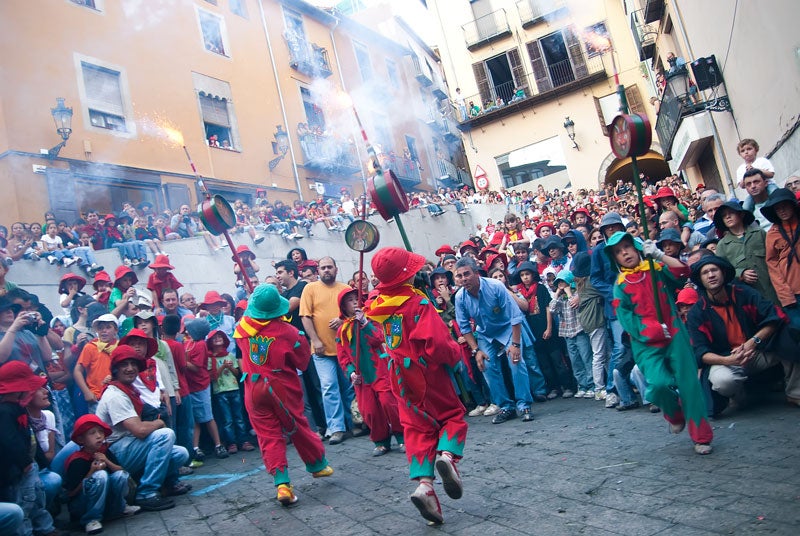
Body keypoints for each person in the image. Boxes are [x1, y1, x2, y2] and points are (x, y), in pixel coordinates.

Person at [368, 247, 467, 525]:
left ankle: (425, 487)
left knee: (417, 429)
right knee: (451, 416)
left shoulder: (378, 305)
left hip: (397, 376)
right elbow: (437, 344)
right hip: (426, 372)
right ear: (408, 275)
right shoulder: (417, 303)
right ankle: (447, 457)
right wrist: (454, 355)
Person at [605, 231, 713, 455]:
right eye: (618, 251)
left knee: (689, 385)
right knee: (658, 384)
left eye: (627, 247)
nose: (624, 252)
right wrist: (652, 329)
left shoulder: (656, 269)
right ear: (614, 258)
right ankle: (673, 413)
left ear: (636, 248)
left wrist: (659, 255)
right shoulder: (620, 286)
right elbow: (627, 320)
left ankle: (701, 436)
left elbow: (684, 273)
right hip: (646, 344)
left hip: (674, 333)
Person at [233, 284, 333, 506]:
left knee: (268, 435)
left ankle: (282, 484)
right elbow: (302, 362)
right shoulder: (290, 333)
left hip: (252, 388)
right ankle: (317, 465)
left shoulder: (241, 328)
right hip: (281, 387)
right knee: (297, 426)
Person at [687, 256, 800, 409]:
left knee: (790, 339)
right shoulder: (697, 313)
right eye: (705, 273)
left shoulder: (744, 293)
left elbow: (775, 317)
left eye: (714, 270)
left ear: (723, 273)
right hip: (727, 358)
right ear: (700, 280)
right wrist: (729, 360)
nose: (711, 275)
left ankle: (795, 393)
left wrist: (753, 342)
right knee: (723, 381)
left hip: (758, 351)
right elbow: (700, 352)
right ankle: (741, 395)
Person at [96, 345, 190, 511]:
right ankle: (146, 493)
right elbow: (140, 431)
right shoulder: (114, 394)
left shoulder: (128, 390)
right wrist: (159, 423)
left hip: (128, 446)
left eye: (133, 364)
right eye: (124, 365)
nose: (130, 368)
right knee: (165, 434)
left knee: (180, 453)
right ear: (115, 369)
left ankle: (165, 485)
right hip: (114, 452)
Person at [455, 256, 534, 422]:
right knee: (487, 367)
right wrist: (476, 350)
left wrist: (515, 344)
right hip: (485, 334)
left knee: (516, 362)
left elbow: (515, 316)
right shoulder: (460, 297)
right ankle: (505, 407)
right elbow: (464, 328)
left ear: (476, 273)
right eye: (460, 276)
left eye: (467, 274)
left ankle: (524, 404)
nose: (463, 279)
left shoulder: (495, 286)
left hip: (507, 328)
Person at [336, 287, 403, 456]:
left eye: (356, 299)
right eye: (350, 300)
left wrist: (364, 323)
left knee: (389, 403)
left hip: (379, 370)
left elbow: (379, 338)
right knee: (369, 411)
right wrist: (351, 372)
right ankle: (381, 441)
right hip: (361, 377)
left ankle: (402, 436)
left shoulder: (371, 319)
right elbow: (342, 356)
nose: (355, 302)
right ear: (343, 306)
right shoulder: (342, 330)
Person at [0, 362, 60, 536]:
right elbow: (9, 441)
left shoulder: (18, 408)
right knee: (24, 503)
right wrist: (25, 462)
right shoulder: (4, 412)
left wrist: (37, 463)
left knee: (37, 500)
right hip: (16, 470)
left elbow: (29, 438)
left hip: (29, 467)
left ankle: (45, 528)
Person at [299, 256, 354, 445]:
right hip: (321, 350)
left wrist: (343, 320)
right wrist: (315, 340)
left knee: (349, 388)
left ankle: (355, 422)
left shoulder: (345, 289)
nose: (326, 270)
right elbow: (305, 317)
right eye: (323, 268)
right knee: (329, 387)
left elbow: (355, 314)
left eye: (330, 267)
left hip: (345, 348)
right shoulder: (310, 289)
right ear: (318, 271)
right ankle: (337, 428)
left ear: (336, 269)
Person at [62, 414, 140, 535]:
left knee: (120, 475)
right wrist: (91, 472)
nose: (99, 436)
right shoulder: (77, 460)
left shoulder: (104, 451)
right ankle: (91, 519)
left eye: (100, 432)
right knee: (101, 476)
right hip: (82, 505)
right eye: (92, 433)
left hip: (105, 501)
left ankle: (120, 508)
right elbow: (71, 493)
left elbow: (121, 470)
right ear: (81, 439)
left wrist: (107, 461)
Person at [275, 259, 326, 438]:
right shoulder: (286, 293)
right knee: (306, 391)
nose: (278, 276)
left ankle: (327, 424)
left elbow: (288, 307)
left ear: (291, 272)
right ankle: (318, 425)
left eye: (280, 272)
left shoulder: (301, 287)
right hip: (292, 349)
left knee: (317, 386)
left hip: (307, 346)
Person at [713, 200, 779, 305]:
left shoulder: (759, 233)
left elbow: (775, 257)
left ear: (741, 214)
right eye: (724, 215)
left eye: (731, 213)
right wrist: (740, 273)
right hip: (748, 296)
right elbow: (722, 271)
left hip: (773, 288)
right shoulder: (723, 245)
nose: (728, 217)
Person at [183, 318, 228, 461]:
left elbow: (196, 367)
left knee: (207, 416)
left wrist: (182, 361)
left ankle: (218, 444)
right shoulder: (189, 343)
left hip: (200, 385)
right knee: (196, 418)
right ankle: (195, 447)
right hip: (191, 385)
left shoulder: (201, 344)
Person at [206, 330, 253, 454]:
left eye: (219, 337)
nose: (217, 339)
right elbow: (212, 377)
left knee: (239, 417)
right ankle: (231, 442)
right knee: (227, 419)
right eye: (214, 338)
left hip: (234, 389)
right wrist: (223, 367)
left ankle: (243, 440)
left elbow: (237, 373)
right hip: (220, 391)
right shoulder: (210, 359)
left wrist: (231, 367)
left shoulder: (230, 355)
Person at [762, 188, 800, 328]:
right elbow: (773, 267)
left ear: (792, 205)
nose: (782, 211)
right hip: (793, 293)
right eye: (778, 209)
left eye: (785, 206)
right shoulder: (773, 233)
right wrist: (785, 295)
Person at [73, 314, 119, 413]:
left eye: (108, 327)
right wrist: (86, 392)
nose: (104, 331)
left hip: (118, 395)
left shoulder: (120, 347)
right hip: (98, 397)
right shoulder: (91, 347)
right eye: (100, 328)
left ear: (116, 330)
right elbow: (77, 370)